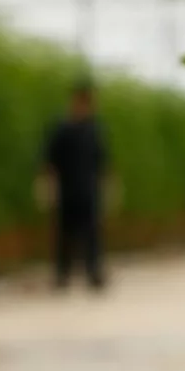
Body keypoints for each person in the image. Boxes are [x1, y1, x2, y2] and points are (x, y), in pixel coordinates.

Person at [37, 79, 112, 291]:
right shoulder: (61, 128)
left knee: (92, 235)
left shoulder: (94, 129)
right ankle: (62, 276)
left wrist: (107, 188)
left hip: (88, 191)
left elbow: (102, 161)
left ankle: (94, 273)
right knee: (64, 235)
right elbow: (49, 161)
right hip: (66, 191)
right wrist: (47, 188)